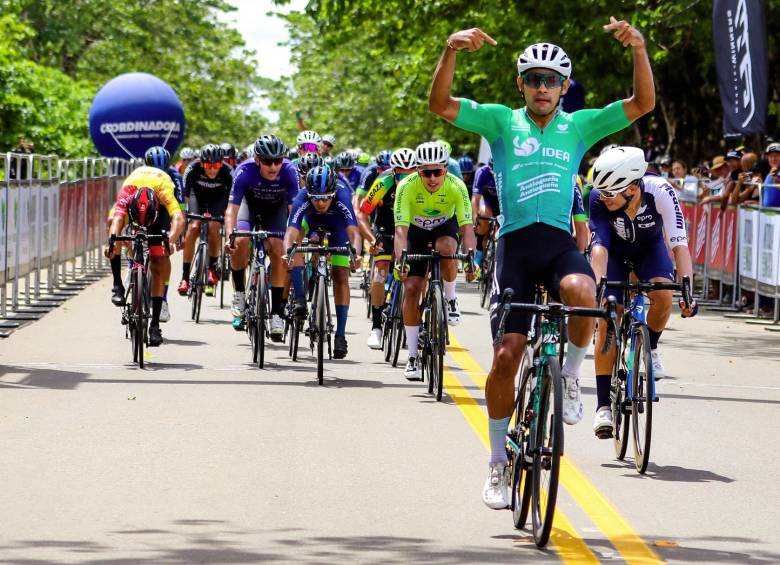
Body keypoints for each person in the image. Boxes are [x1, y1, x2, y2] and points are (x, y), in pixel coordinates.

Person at [428, 18, 655, 509]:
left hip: (556, 243)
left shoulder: (579, 125)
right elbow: (441, 105)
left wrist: (638, 48)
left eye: (551, 80)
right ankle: (495, 464)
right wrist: (450, 50)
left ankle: (571, 375)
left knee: (581, 291)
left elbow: (642, 105)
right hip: (513, 246)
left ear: (564, 87)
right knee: (507, 356)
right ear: (521, 84)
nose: (542, 87)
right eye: (533, 78)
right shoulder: (500, 120)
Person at [588, 146, 697, 435]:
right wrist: (595, 283)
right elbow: (599, 246)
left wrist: (688, 290)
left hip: (650, 250)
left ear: (633, 188)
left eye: (612, 193)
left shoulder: (661, 191)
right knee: (608, 315)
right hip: (614, 253)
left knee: (663, 295)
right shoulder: (598, 197)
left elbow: (679, 244)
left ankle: (652, 344)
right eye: (603, 193)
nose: (604, 198)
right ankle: (602, 407)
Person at [394, 142, 476, 380]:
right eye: (425, 172)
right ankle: (411, 355)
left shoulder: (456, 186)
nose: (431, 178)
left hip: (444, 228)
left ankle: (450, 298)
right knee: (411, 289)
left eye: (437, 172)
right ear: (417, 171)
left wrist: (471, 257)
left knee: (448, 247)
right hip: (415, 234)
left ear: (445, 170)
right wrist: (401, 261)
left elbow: (467, 228)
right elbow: (401, 232)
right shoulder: (406, 187)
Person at [225, 135, 299, 336]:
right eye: (267, 161)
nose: (273, 166)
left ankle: (276, 313)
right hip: (249, 207)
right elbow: (232, 210)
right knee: (239, 241)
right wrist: (229, 236)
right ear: (257, 159)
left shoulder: (290, 171)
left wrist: (293, 242)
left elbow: (295, 212)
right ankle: (239, 293)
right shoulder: (244, 170)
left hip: (276, 209)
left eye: (278, 160)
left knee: (278, 248)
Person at [284, 166, 361, 358]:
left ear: (333, 193)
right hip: (309, 223)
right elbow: (291, 229)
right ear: (308, 193)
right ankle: (301, 299)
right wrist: (288, 252)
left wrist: (356, 254)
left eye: (326, 197)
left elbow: (353, 230)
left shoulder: (342, 194)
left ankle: (341, 336)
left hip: (337, 227)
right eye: (316, 197)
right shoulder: (302, 196)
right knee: (297, 241)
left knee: (340, 274)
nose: (321, 202)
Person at [107, 169, 185, 346]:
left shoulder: (163, 191)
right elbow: (117, 221)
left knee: (158, 262)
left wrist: (171, 241)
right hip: (134, 207)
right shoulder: (127, 192)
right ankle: (117, 285)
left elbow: (179, 219)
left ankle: (155, 326)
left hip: (157, 216)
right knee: (112, 231)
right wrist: (111, 243)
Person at [357, 147, 417, 349]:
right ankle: (376, 327)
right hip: (386, 228)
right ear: (393, 171)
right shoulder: (383, 182)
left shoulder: (424, 182)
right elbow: (362, 214)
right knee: (379, 275)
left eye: (410, 174)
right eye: (400, 174)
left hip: (412, 229)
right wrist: (371, 239)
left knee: (417, 275)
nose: (405, 178)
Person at [179, 143, 233, 298]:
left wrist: (228, 220)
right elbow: (185, 200)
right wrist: (183, 230)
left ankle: (212, 267)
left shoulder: (228, 172)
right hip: (198, 197)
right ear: (201, 163)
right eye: (208, 165)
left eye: (216, 165)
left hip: (218, 199)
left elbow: (232, 202)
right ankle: (185, 277)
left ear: (221, 163)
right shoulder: (192, 169)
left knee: (214, 227)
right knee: (194, 227)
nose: (212, 169)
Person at [144, 146, 185, 323]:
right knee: (134, 239)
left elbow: (180, 207)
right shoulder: (140, 175)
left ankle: (163, 300)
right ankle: (133, 266)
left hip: (164, 212)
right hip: (144, 210)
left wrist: (178, 234)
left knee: (163, 254)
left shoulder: (175, 176)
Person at [471, 159, 498, 269]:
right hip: (488, 201)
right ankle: (479, 252)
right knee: (483, 216)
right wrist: (476, 217)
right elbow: (475, 199)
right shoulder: (482, 172)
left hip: (502, 203)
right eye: (493, 172)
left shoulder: (508, 172)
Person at [761, 142, 780, 208]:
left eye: (776, 156)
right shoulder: (768, 175)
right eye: (770, 156)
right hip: (767, 216)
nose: (773, 159)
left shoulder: (773, 175)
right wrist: (757, 202)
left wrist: (776, 180)